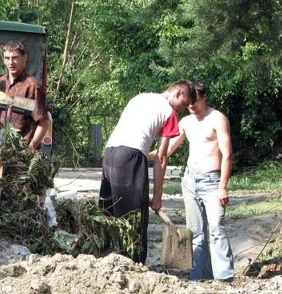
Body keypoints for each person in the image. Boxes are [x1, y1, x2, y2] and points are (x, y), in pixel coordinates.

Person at [99, 80, 196, 264]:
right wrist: (157, 196)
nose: (180, 110)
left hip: (110, 153)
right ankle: (133, 268)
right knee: (133, 220)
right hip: (130, 157)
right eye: (182, 105)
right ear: (177, 93)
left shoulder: (140, 98)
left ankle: (106, 263)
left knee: (109, 215)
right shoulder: (169, 113)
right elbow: (162, 157)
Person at [163, 82, 234, 281]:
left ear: (204, 97)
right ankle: (199, 276)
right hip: (190, 180)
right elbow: (167, 150)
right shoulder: (186, 122)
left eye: (194, 101)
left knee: (216, 229)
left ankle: (224, 277)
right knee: (195, 232)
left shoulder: (218, 119)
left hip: (212, 181)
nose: (191, 105)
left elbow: (227, 154)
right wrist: (142, 153)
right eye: (188, 103)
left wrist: (222, 187)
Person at [0, 41, 49, 150]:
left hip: (22, 149)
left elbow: (43, 122)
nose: (10, 62)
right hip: (1, 146)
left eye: (15, 57)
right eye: (7, 58)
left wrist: (30, 148)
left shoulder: (33, 86)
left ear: (24, 57)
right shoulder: (1, 82)